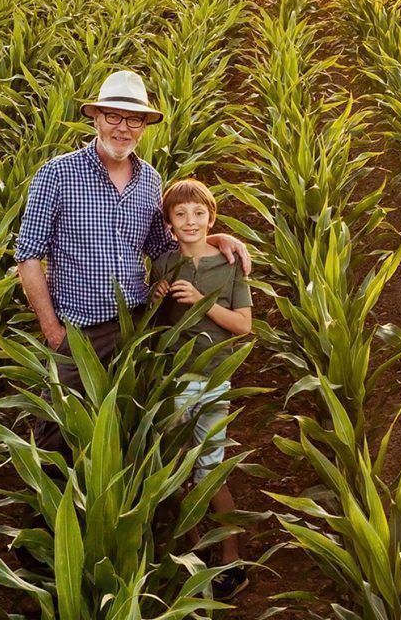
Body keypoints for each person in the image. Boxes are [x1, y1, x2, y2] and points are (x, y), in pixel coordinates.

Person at [12, 69, 250, 388]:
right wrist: (53, 331)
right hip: (78, 334)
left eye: (134, 119)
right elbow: (28, 256)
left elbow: (163, 246)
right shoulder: (57, 174)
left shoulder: (149, 180)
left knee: (126, 426)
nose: (123, 128)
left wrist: (214, 237)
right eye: (113, 116)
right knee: (60, 434)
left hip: (136, 325)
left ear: (143, 128)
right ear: (95, 118)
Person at [152, 177, 252, 601]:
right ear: (169, 224)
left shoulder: (229, 264)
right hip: (174, 381)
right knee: (176, 470)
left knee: (209, 469)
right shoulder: (164, 264)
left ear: (211, 219)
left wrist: (202, 300)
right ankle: (196, 557)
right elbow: (154, 327)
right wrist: (156, 297)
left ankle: (231, 560)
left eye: (198, 214)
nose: (190, 221)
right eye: (180, 215)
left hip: (212, 380)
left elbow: (244, 325)